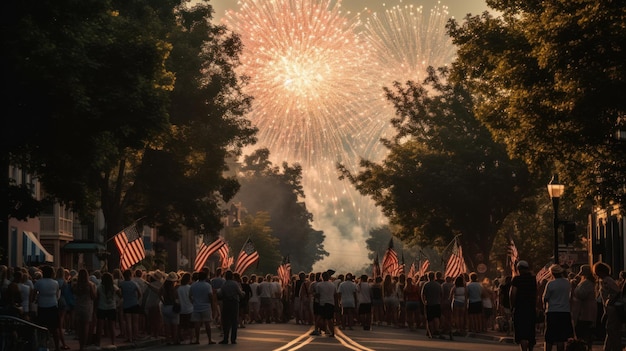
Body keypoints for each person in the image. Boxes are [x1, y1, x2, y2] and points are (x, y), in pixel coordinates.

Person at [543, 264, 574, 351]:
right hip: (565, 311)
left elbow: (545, 298)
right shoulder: (567, 283)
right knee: (561, 337)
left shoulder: (551, 284)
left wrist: (544, 307)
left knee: (549, 336)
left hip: (552, 311)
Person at [593, 262, 622, 351]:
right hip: (609, 309)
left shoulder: (607, 280)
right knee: (610, 330)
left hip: (612, 309)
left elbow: (617, 292)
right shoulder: (604, 281)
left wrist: (610, 302)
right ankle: (608, 348)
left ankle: (616, 348)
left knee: (612, 330)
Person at [34, 265, 63, 351]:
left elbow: (33, 294)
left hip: (42, 306)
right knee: (55, 329)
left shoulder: (38, 283)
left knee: (41, 328)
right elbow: (57, 295)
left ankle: (41, 345)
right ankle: (57, 347)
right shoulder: (55, 283)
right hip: (53, 306)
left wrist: (36, 298)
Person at [510, 260, 537, 351]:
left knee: (521, 332)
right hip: (531, 308)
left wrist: (512, 305)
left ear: (519, 269)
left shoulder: (516, 279)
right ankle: (531, 348)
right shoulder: (533, 279)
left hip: (520, 308)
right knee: (530, 330)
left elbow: (513, 293)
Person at [571, 265, 596, 350]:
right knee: (585, 330)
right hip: (584, 310)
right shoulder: (586, 282)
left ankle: (583, 347)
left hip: (585, 311)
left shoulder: (587, 283)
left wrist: (574, 288)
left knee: (583, 331)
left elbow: (582, 295)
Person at [189, 270, 216, 345]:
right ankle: (209, 339)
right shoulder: (207, 286)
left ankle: (197, 339)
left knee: (197, 324)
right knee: (207, 323)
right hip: (206, 306)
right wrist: (212, 306)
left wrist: (193, 302)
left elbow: (189, 296)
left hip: (196, 306)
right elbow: (210, 296)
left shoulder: (193, 285)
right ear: (206, 277)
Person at [72, 269, 96, 351]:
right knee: (86, 327)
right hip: (87, 307)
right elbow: (93, 296)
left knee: (79, 327)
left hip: (78, 306)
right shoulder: (90, 285)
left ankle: (80, 344)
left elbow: (74, 293)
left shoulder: (76, 285)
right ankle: (83, 345)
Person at [219, 270, 245, 344]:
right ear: (232, 276)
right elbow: (240, 293)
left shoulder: (224, 284)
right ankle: (233, 339)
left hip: (226, 303)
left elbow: (220, 294)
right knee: (234, 321)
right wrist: (243, 294)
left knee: (226, 321)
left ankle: (225, 338)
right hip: (234, 303)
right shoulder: (235, 284)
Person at [118, 269, 142, 343]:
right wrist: (136, 299)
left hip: (126, 304)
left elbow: (120, 294)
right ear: (130, 275)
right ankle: (135, 336)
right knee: (135, 322)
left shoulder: (121, 284)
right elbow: (140, 293)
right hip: (134, 303)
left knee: (128, 322)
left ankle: (129, 337)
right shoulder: (134, 284)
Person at [96, 272, 118, 348]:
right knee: (112, 326)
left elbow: (97, 297)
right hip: (112, 307)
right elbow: (120, 294)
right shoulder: (114, 287)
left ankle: (98, 343)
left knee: (100, 326)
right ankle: (113, 342)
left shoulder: (99, 287)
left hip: (101, 307)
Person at [422, 271, 445, 339]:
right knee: (436, 317)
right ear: (434, 277)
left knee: (429, 319)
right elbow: (442, 294)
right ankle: (436, 330)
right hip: (437, 303)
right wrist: (440, 300)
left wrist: (424, 301)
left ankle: (430, 332)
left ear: (428, 277)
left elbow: (422, 294)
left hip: (429, 303)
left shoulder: (426, 285)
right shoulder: (438, 285)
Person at [160, 272, 181, 345]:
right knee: (174, 325)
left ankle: (168, 340)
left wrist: (163, 301)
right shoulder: (174, 289)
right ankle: (175, 339)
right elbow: (176, 298)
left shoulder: (163, 287)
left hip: (165, 306)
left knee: (167, 325)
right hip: (172, 307)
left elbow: (159, 294)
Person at [315, 271, 337, 337]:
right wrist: (336, 304)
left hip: (322, 303)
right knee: (329, 318)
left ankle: (316, 329)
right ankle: (332, 332)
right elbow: (335, 295)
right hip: (330, 303)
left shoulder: (319, 285)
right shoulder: (332, 285)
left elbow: (317, 295)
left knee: (319, 317)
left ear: (322, 277)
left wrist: (318, 301)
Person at [177, 272, 194, 345]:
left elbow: (177, 298)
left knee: (182, 325)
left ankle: (182, 338)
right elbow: (192, 298)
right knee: (190, 326)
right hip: (190, 308)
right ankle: (191, 339)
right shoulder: (190, 288)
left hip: (181, 309)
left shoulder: (179, 288)